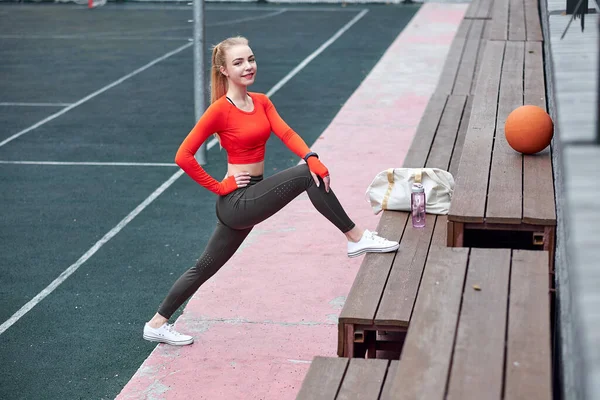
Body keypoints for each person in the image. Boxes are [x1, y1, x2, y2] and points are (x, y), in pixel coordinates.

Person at [143, 36, 400, 346]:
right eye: (238, 62)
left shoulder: (262, 101)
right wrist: (219, 186)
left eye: (250, 59)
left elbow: (286, 132)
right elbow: (183, 155)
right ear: (223, 70)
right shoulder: (219, 111)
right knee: (307, 177)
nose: (248, 66)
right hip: (236, 201)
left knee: (204, 266)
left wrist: (312, 156)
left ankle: (157, 323)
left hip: (251, 197)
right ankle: (356, 237)